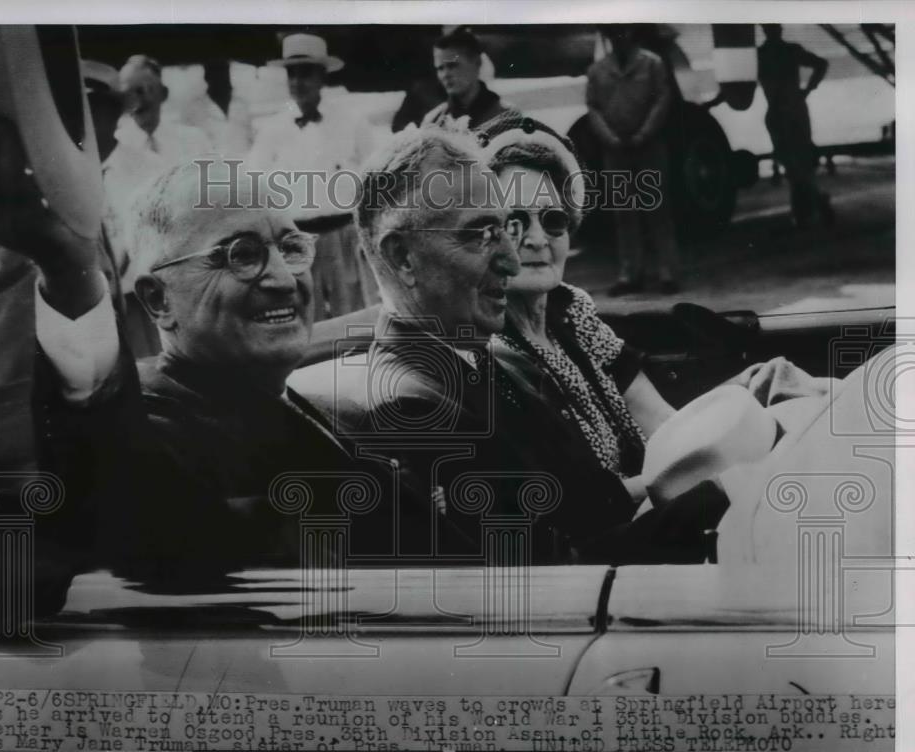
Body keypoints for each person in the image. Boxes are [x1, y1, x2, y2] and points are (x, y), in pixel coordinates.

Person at [0, 107, 416, 592]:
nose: (283, 280)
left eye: (291, 247)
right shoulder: (155, 424)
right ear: (157, 299)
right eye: (242, 255)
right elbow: (142, 504)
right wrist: (70, 275)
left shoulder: (280, 406)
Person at [291, 125, 730, 564]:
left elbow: (598, 504)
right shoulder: (411, 410)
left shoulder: (502, 362)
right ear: (403, 258)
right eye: (481, 234)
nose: (512, 259)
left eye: (506, 229)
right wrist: (716, 502)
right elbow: (547, 576)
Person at [479, 113, 677, 504]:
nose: (538, 239)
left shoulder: (572, 311)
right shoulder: (488, 352)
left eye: (553, 221)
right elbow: (577, 509)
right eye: (516, 221)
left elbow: (662, 422)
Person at [0, 60, 125, 390]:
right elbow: (17, 329)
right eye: (89, 108)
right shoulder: (30, 182)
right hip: (53, 403)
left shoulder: (60, 175)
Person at [249, 33, 379, 320]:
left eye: (306, 73)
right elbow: (253, 188)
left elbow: (377, 178)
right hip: (297, 240)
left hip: (343, 235)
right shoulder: (273, 130)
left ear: (322, 77)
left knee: (354, 316)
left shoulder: (352, 122)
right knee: (307, 318)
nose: (297, 82)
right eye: (291, 74)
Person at [102, 54, 215, 353]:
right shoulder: (112, 153)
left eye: (146, 89)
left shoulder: (193, 141)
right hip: (141, 284)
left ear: (163, 93)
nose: (139, 99)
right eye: (131, 90)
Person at [586, 24, 680, 296]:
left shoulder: (652, 64)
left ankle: (668, 272)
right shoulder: (597, 71)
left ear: (633, 33)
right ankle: (630, 273)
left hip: (648, 146)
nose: (619, 37)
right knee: (623, 213)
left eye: (623, 31)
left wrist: (644, 132)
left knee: (657, 210)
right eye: (613, 33)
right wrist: (609, 136)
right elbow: (593, 107)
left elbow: (663, 98)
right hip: (615, 150)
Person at [757, 24, 834, 229]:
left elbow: (740, 82)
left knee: (791, 164)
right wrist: (807, 90)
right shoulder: (791, 51)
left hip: (777, 114)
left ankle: (805, 209)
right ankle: (811, 205)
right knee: (799, 162)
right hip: (795, 111)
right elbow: (821, 64)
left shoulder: (759, 55)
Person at [422, 27, 514, 130]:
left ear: (477, 63)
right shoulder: (433, 121)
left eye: (452, 66)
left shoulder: (507, 117)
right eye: (440, 68)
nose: (445, 74)